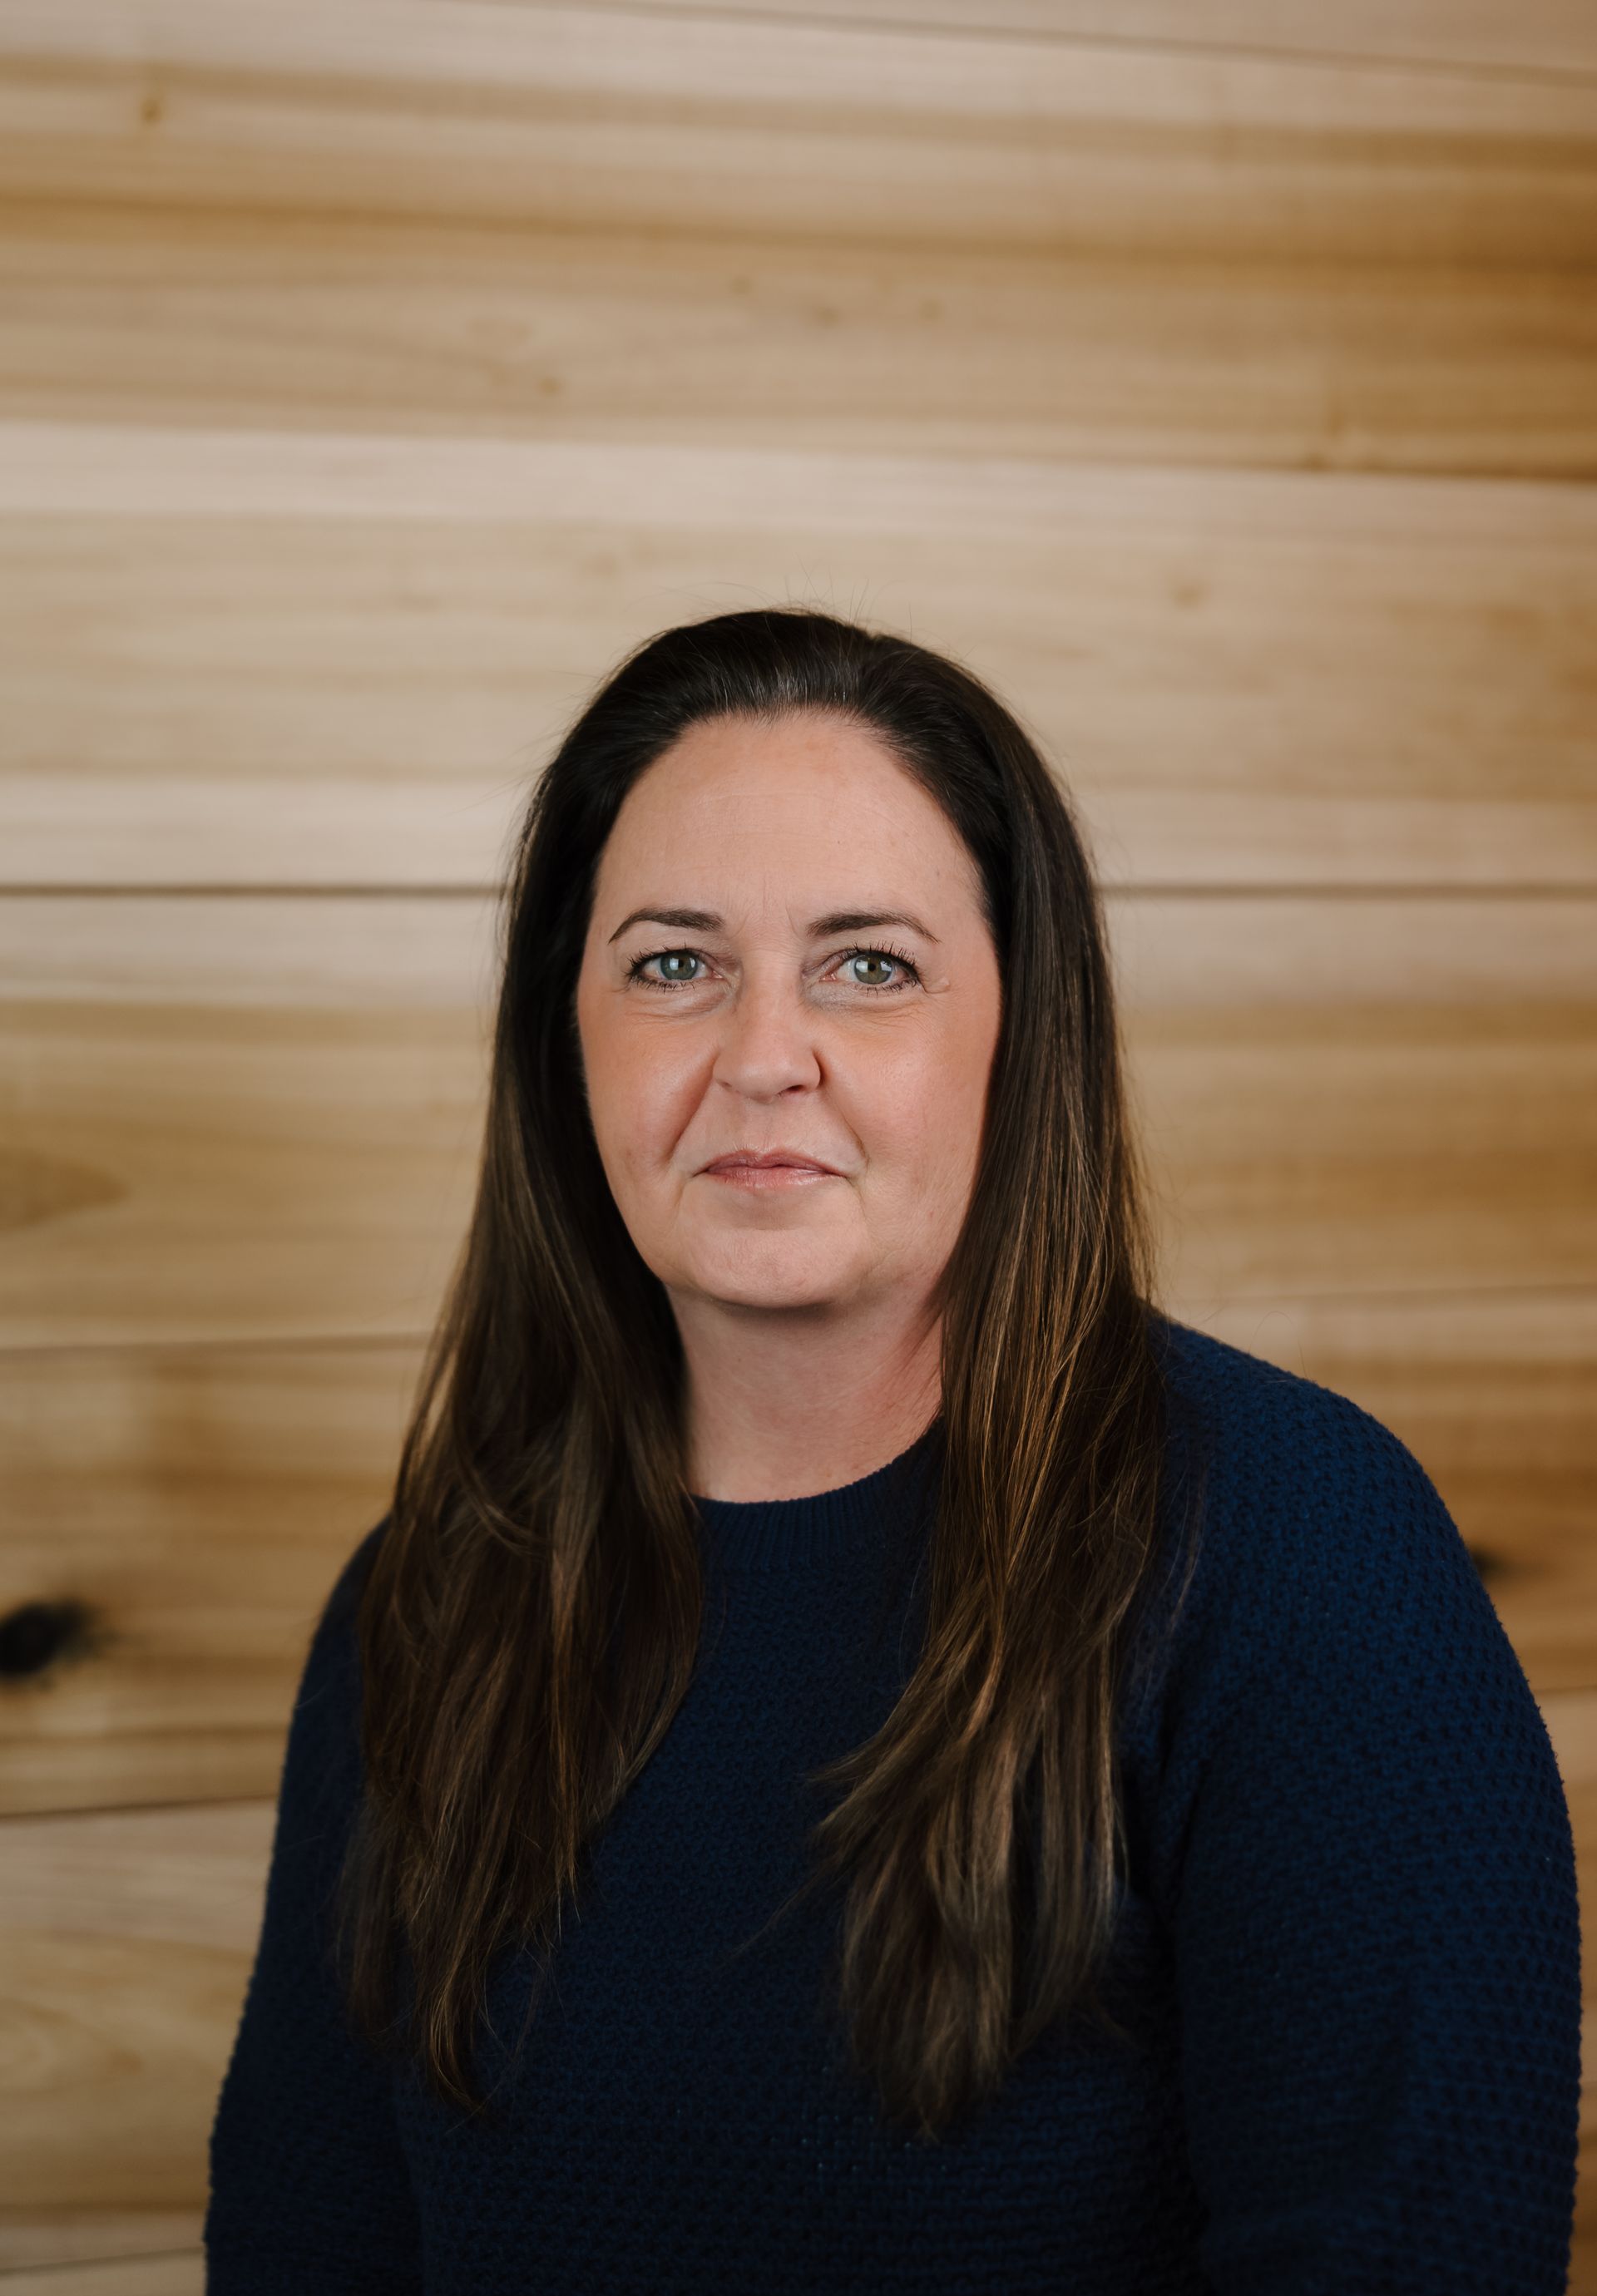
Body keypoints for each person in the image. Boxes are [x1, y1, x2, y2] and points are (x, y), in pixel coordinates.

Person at [204, 607, 1580, 2294]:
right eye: (673, 963)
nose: (761, 1056)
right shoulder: (423, 1605)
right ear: (566, 1038)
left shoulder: (1301, 1554)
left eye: (869, 965)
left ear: (1018, 1032)